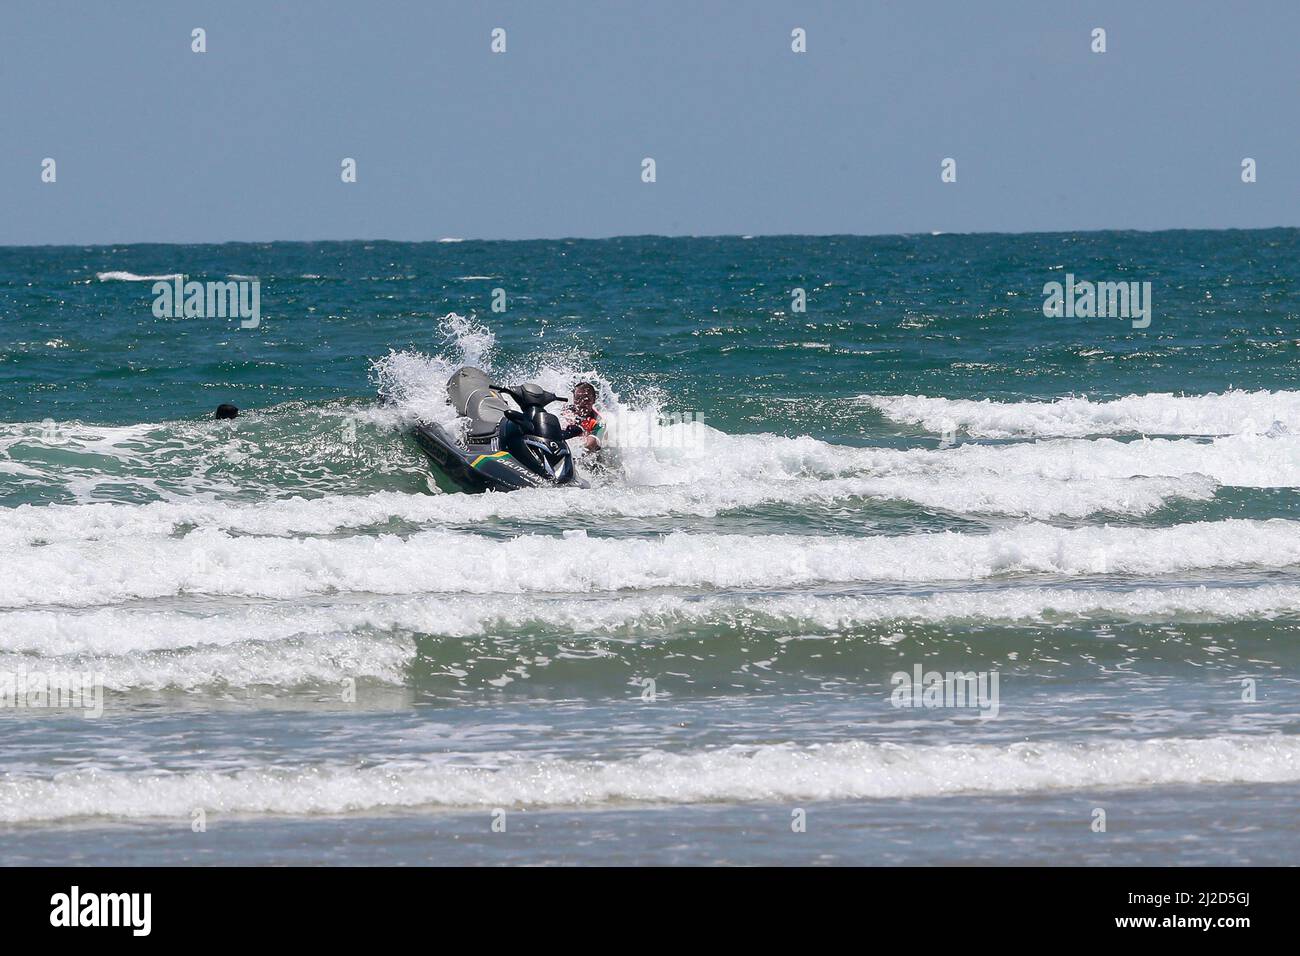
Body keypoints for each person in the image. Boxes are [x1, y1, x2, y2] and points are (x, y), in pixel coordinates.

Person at [560, 382, 603, 452]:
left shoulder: (599, 422)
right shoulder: (565, 412)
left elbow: (590, 444)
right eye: (578, 399)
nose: (581, 402)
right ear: (573, 399)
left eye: (586, 400)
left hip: (590, 455)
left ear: (594, 400)